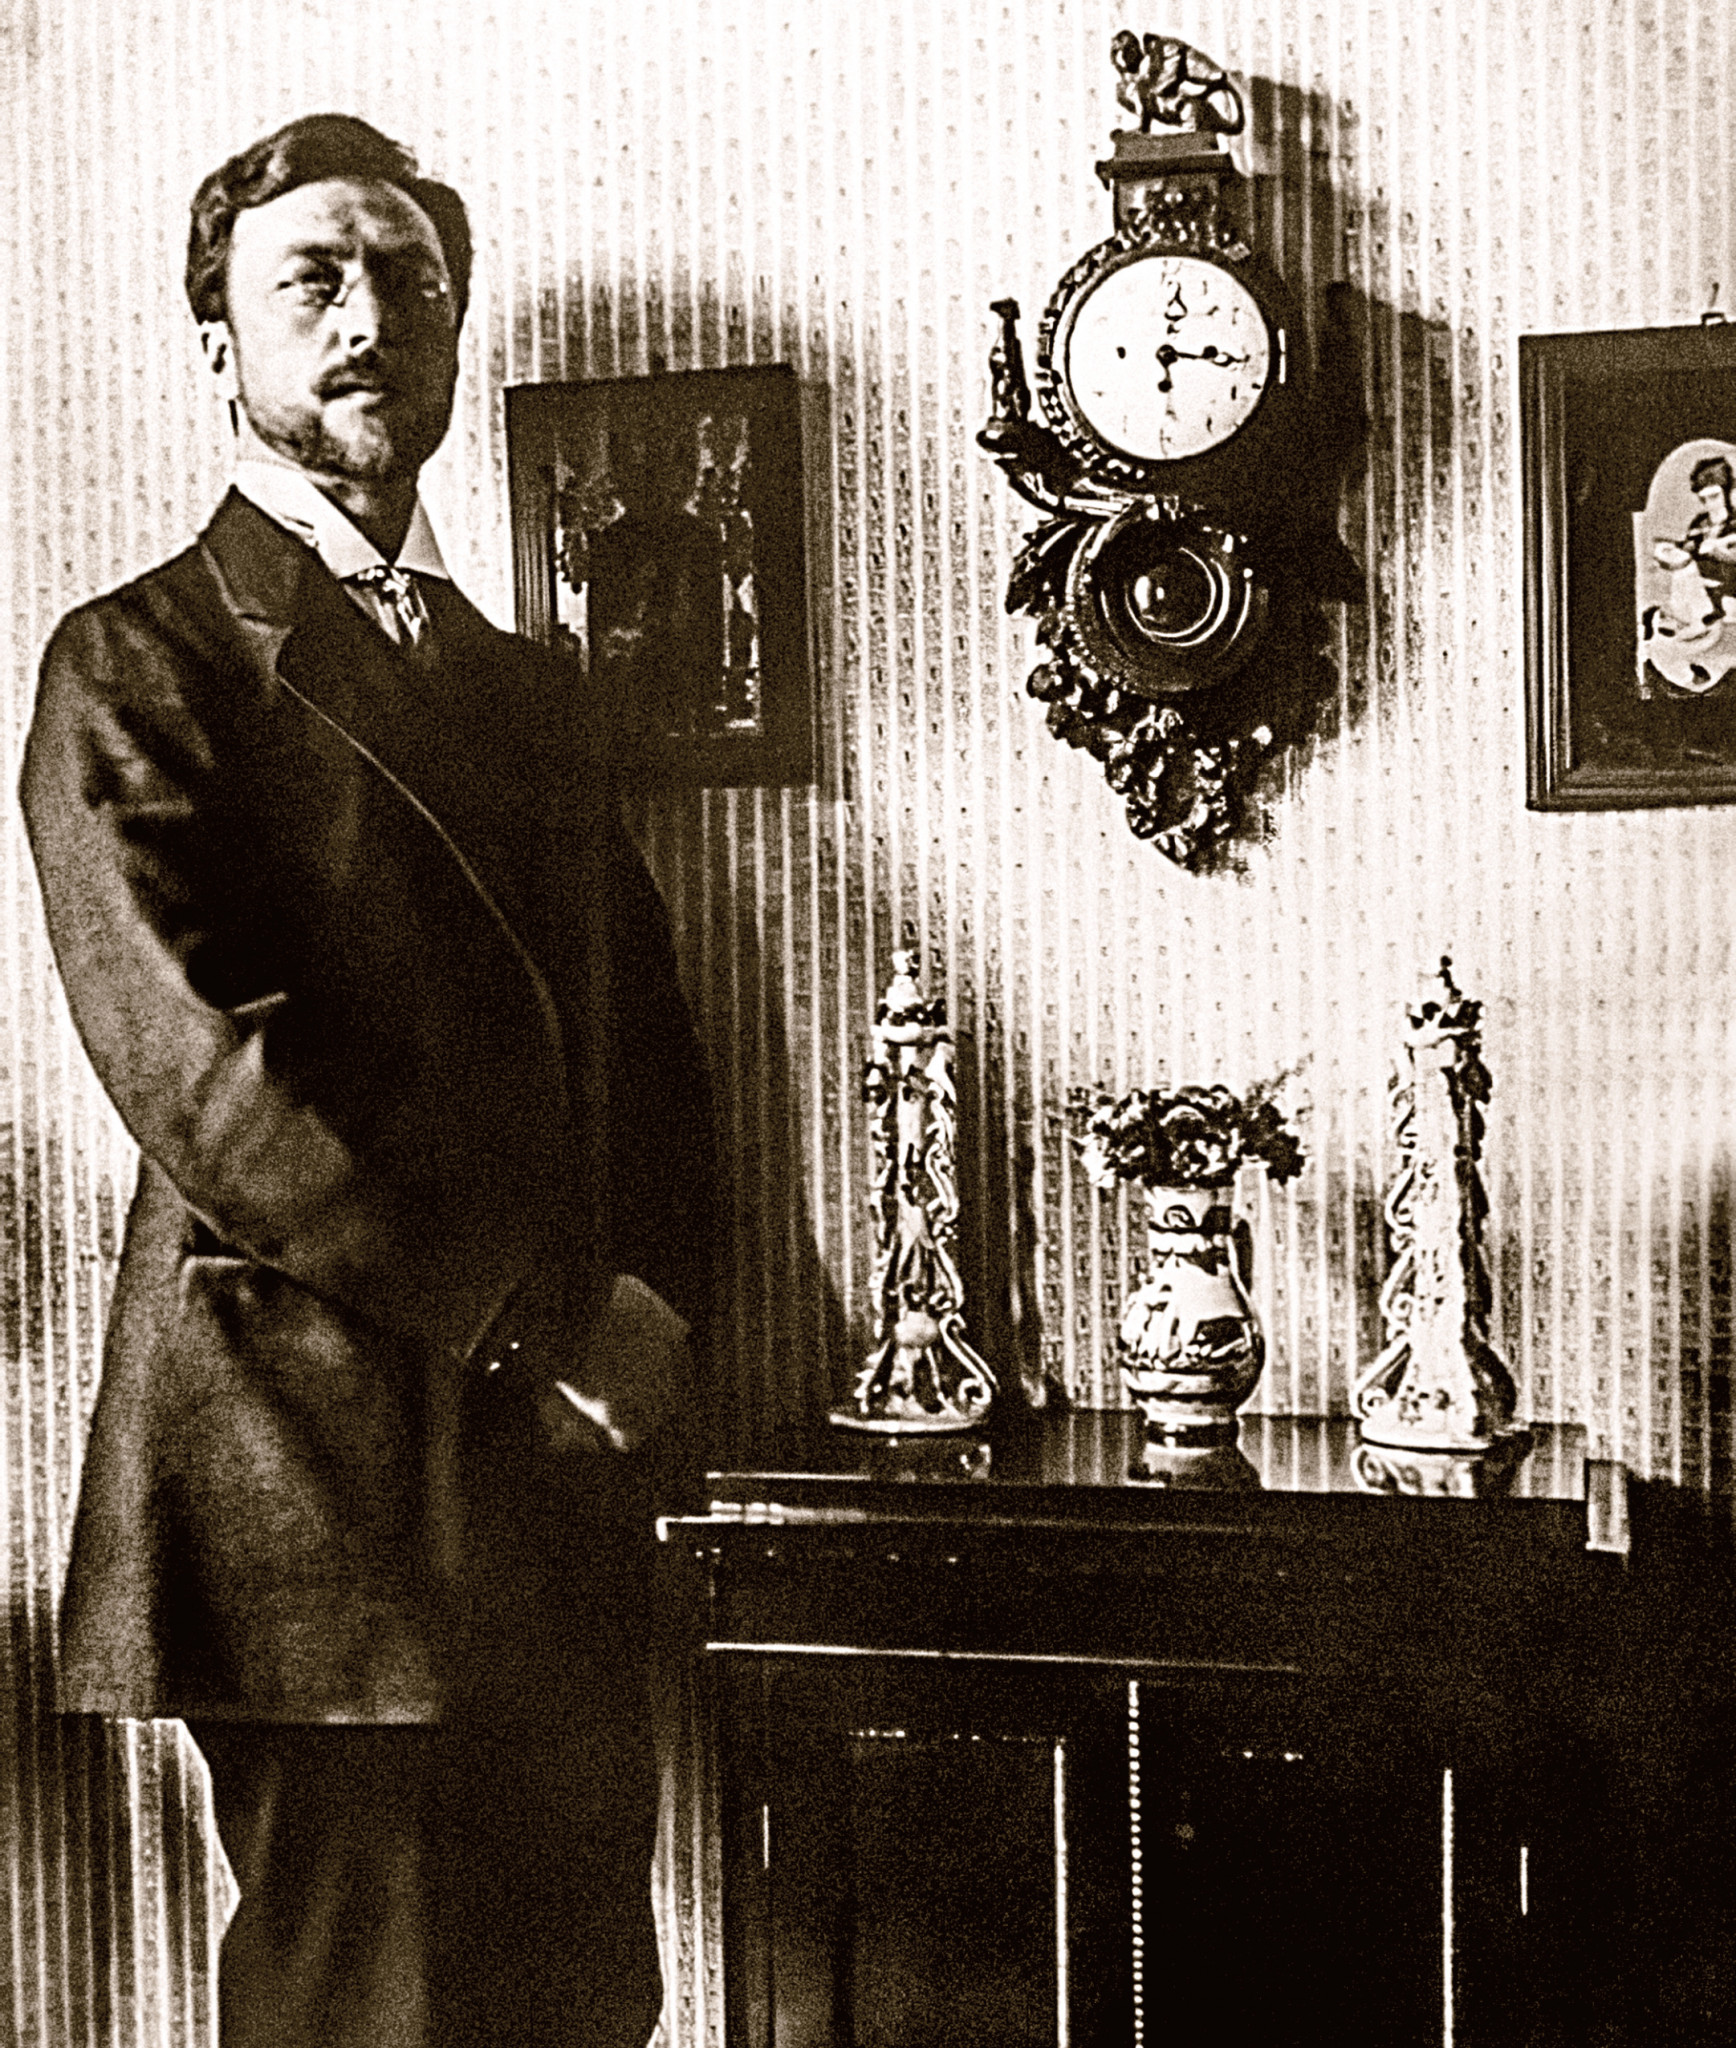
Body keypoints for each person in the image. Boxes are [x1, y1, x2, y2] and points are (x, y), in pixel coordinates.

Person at [20, 113, 718, 2048]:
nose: (367, 316)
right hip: (308, 1479)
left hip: (558, 1474)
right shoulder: (136, 662)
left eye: (407, 278)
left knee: (580, 2000)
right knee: (371, 2011)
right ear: (220, 344)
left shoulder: (528, 686)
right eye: (311, 279)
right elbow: (212, 1083)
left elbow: (646, 1051)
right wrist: (543, 1320)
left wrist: (661, 1316)